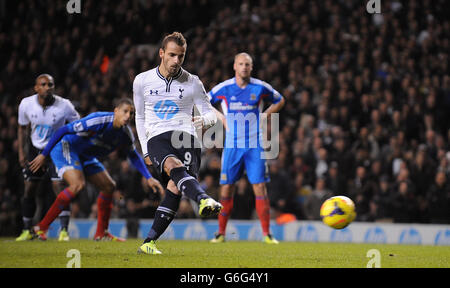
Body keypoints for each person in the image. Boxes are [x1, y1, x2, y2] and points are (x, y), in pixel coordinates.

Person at [133, 32, 222, 255]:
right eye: (172, 55)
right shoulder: (142, 80)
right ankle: (203, 198)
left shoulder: (192, 82)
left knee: (175, 187)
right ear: (161, 53)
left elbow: (211, 115)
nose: (176, 61)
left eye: (180, 56)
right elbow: (140, 117)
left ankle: (149, 243)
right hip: (158, 136)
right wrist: (144, 149)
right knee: (173, 167)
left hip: (187, 137)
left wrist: (203, 119)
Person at [29, 98, 164, 241]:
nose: (128, 116)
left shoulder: (125, 135)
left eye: (131, 113)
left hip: (86, 156)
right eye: (125, 111)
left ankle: (101, 233)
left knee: (109, 186)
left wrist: (148, 177)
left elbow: (134, 156)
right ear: (116, 111)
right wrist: (43, 155)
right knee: (78, 185)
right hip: (67, 146)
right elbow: (63, 130)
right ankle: (40, 228)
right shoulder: (98, 120)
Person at [208, 52, 285, 244]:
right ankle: (221, 233)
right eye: (241, 64)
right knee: (226, 189)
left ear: (251, 67)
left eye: (247, 64)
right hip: (232, 146)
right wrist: (222, 118)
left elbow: (280, 99)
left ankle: (267, 234)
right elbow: (204, 101)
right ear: (235, 66)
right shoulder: (224, 88)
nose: (244, 67)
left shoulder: (260, 87)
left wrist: (266, 115)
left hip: (254, 145)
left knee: (259, 187)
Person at [16, 74, 80, 241]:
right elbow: (22, 128)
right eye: (43, 84)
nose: (47, 87)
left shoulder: (64, 105)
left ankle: (64, 231)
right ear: (36, 88)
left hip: (57, 149)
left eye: (50, 84)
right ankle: (26, 230)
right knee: (29, 188)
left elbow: (77, 124)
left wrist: (70, 145)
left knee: (59, 186)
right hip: (35, 150)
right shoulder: (26, 104)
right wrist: (22, 153)